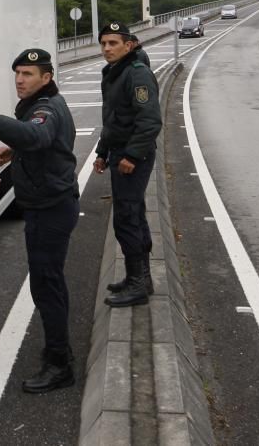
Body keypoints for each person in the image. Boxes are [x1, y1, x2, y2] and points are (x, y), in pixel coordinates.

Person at [0, 48, 80, 394]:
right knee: (48, 283)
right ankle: (58, 352)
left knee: (47, 285)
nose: (19, 80)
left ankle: (59, 364)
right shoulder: (43, 105)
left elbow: (39, 135)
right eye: (17, 73)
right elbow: (42, 144)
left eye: (28, 74)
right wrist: (14, 151)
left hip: (51, 209)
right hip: (48, 205)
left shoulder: (45, 108)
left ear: (47, 77)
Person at [93, 22, 162, 308]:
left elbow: (150, 121)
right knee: (134, 214)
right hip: (120, 151)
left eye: (113, 43)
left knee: (126, 218)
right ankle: (141, 278)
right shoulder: (114, 73)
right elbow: (113, 119)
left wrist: (131, 156)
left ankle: (137, 284)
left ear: (129, 45)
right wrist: (101, 151)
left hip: (134, 156)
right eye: (104, 43)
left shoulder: (137, 74)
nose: (107, 48)